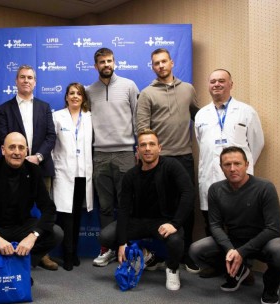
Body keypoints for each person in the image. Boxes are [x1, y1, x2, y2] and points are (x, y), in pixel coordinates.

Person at [189, 147, 280, 304]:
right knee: (196, 250)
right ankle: (240, 272)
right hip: (234, 241)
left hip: (262, 242)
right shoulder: (215, 189)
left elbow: (274, 229)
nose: (232, 168)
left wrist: (241, 252)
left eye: (237, 163)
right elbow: (215, 225)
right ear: (221, 167)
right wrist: (230, 250)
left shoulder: (265, 187)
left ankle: (271, 288)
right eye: (227, 164)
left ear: (247, 164)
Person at [0, 132, 63, 289]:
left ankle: (20, 266)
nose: (17, 151)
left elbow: (49, 209)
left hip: (21, 226)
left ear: (26, 151)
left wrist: (33, 236)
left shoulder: (34, 171)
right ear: (3, 150)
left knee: (56, 233)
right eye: (12, 147)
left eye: (21, 148)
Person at [99, 129, 193, 290]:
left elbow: (188, 192)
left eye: (151, 144)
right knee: (106, 236)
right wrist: (121, 243)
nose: (147, 148)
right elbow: (123, 209)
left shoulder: (171, 166)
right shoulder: (130, 175)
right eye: (143, 145)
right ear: (138, 150)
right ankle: (146, 255)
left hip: (164, 222)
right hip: (138, 222)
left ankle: (172, 269)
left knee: (176, 240)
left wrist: (175, 224)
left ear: (159, 148)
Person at [194, 69, 264, 277]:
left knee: (243, 225)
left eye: (221, 81)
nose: (217, 84)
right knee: (212, 224)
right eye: (213, 81)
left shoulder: (246, 112)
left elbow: (257, 144)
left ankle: (245, 267)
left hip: (239, 180)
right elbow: (202, 143)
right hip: (210, 176)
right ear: (208, 85)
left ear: (231, 84)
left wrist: (243, 169)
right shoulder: (201, 115)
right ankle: (218, 265)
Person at [136, 48, 200, 273]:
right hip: (158, 160)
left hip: (183, 156)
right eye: (156, 63)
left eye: (164, 61)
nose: (161, 66)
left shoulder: (188, 89)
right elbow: (142, 128)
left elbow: (198, 117)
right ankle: (159, 254)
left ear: (172, 63)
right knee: (158, 209)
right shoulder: (146, 93)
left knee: (186, 207)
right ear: (152, 67)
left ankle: (185, 254)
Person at [0, 65, 58, 271]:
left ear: (35, 82)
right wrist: (21, 159)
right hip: (14, 169)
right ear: (16, 81)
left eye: (30, 78)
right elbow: (3, 138)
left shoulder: (44, 106)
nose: (26, 81)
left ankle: (42, 254)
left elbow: (51, 136)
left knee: (44, 211)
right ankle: (14, 250)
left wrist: (38, 157)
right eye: (22, 77)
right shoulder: (4, 109)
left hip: (41, 166)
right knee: (15, 210)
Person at [86, 47, 139, 267]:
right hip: (99, 155)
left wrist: (138, 148)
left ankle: (127, 247)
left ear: (114, 62)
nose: (106, 65)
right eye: (102, 62)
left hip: (125, 153)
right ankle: (107, 248)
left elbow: (138, 118)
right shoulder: (88, 91)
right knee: (106, 206)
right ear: (95, 65)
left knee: (127, 205)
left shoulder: (129, 86)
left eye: (109, 61)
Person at [51, 82, 93, 271]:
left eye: (79, 93)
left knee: (77, 216)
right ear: (66, 97)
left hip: (82, 174)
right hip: (64, 173)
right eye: (71, 93)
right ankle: (67, 255)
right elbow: (51, 146)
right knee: (66, 217)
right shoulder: (57, 117)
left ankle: (74, 251)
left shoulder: (89, 117)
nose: (75, 96)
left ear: (83, 97)